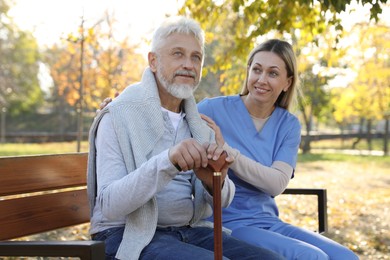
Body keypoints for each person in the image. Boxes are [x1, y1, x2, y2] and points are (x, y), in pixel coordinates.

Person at [87, 16, 284, 260]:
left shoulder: (199, 125)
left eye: (196, 57)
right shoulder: (118, 115)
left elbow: (222, 201)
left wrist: (215, 181)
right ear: (154, 61)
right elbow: (109, 205)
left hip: (189, 231)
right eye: (178, 54)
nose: (189, 64)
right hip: (125, 233)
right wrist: (167, 162)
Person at [197, 39, 359, 259]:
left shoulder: (288, 125)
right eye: (257, 70)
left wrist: (228, 152)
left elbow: (276, 183)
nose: (262, 80)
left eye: (273, 73)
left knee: (346, 257)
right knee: (312, 257)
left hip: (268, 222)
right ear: (248, 72)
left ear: (287, 82)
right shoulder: (211, 109)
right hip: (226, 222)